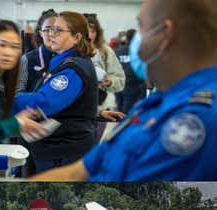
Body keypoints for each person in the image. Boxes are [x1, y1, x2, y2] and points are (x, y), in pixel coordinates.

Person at [31, 0, 217, 181]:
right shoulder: (155, 104)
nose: (135, 40)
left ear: (165, 35)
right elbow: (83, 169)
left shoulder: (196, 120)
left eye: (141, 26)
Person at [13, 11, 99, 172]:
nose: (52, 34)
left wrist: (9, 103)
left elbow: (45, 102)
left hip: (64, 152)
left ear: (77, 37)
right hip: (56, 149)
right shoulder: (62, 63)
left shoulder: (73, 69)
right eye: (51, 30)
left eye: (58, 31)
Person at [86, 14, 126, 142]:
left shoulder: (105, 52)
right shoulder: (70, 52)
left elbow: (121, 80)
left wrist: (110, 82)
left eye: (93, 31)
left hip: (102, 109)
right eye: (86, 30)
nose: (90, 35)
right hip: (79, 113)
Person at [16, 9, 58, 94]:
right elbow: (17, 93)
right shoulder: (26, 60)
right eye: (47, 30)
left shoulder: (68, 58)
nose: (52, 34)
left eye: (57, 30)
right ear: (40, 33)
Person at [114, 29, 148, 114]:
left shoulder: (118, 51)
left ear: (126, 39)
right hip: (136, 87)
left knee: (120, 113)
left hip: (120, 86)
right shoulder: (139, 52)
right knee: (134, 114)